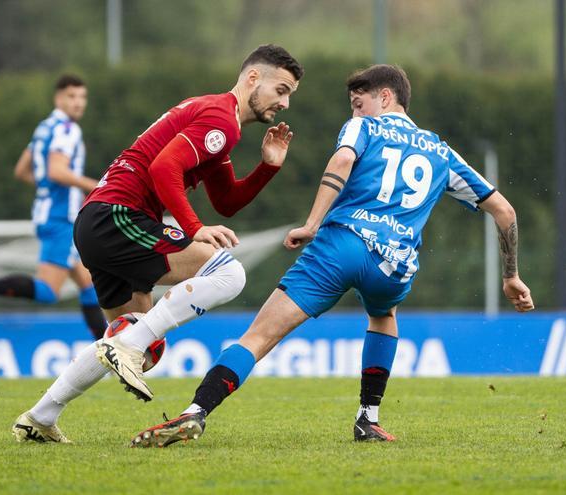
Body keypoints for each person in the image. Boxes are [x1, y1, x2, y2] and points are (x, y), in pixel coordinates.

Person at [130, 64, 535, 448]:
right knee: (384, 316)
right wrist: (511, 275)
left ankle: (196, 410)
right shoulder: (441, 152)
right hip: (394, 266)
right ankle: (368, 418)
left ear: (386, 97)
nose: (355, 110)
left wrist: (310, 223)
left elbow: (343, 159)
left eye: (359, 102)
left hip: (341, 246)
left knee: (258, 337)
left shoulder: (365, 127)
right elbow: (505, 211)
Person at [10, 45, 304, 443]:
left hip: (99, 222)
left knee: (131, 341)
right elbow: (163, 167)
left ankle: (40, 417)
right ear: (253, 78)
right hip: (118, 216)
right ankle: (125, 347)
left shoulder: (217, 119)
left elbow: (227, 202)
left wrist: (268, 166)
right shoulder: (222, 119)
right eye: (281, 89)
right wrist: (194, 227)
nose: (284, 102)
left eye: (290, 95)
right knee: (229, 272)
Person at [0, 75, 106, 340]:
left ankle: (106, 353)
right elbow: (56, 171)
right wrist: (95, 187)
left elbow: (22, 171)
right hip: (61, 220)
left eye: (82, 97)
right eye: (72, 96)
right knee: (48, 291)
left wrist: (48, 189)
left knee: (88, 284)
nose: (78, 103)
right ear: (58, 98)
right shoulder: (67, 130)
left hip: (49, 214)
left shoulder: (45, 128)